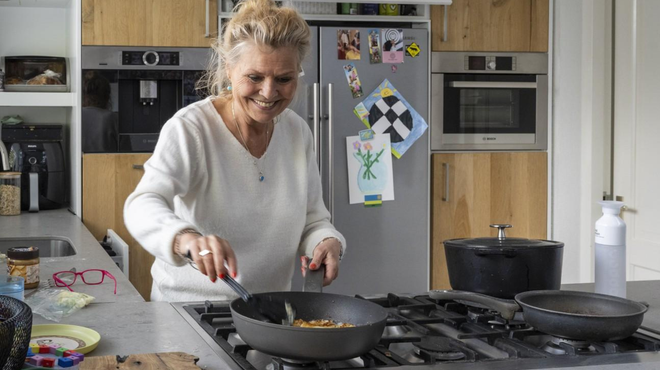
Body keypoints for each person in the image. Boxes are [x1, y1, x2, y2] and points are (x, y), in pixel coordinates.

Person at [124, 0, 346, 302]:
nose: (268, 93)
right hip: (189, 310)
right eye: (254, 77)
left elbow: (313, 219)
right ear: (229, 69)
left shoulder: (296, 132)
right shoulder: (192, 129)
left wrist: (327, 241)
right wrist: (187, 239)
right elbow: (142, 204)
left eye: (284, 79)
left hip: (267, 310)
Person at [81, 71, 118, 153]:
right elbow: (127, 153)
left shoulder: (75, 116)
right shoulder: (113, 118)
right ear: (107, 96)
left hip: (78, 165)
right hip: (108, 165)